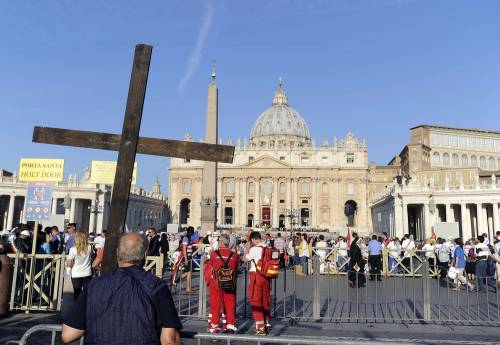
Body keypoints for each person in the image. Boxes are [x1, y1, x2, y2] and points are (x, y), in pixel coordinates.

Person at [61, 232, 182, 345]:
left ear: (118, 253)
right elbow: (169, 340)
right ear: (145, 255)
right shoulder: (157, 286)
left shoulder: (94, 285)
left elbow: (68, 335)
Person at [206, 234, 239, 334]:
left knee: (215, 305)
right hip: (230, 283)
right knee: (230, 305)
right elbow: (236, 267)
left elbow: (210, 266)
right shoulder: (234, 255)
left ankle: (215, 326)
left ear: (221, 242)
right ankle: (230, 326)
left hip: (216, 283)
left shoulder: (214, 254)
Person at [241, 231, 270, 335]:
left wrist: (247, 249)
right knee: (264, 300)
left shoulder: (254, 249)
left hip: (256, 276)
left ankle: (260, 328)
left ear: (253, 239)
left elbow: (244, 259)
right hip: (266, 277)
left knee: (255, 300)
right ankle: (266, 324)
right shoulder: (267, 248)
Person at [66, 231, 92, 301]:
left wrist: (68, 272)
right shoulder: (89, 247)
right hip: (87, 272)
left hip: (76, 274)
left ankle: (77, 308)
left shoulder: (72, 249)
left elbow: (69, 262)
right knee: (87, 293)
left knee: (77, 293)